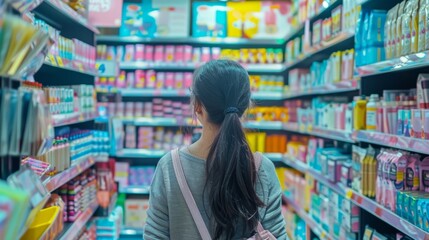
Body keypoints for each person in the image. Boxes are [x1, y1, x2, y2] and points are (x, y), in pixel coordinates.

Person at [144, 59, 287, 240]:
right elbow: (277, 235)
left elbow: (154, 236)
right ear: (246, 106)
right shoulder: (262, 168)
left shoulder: (169, 167)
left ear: (197, 106)